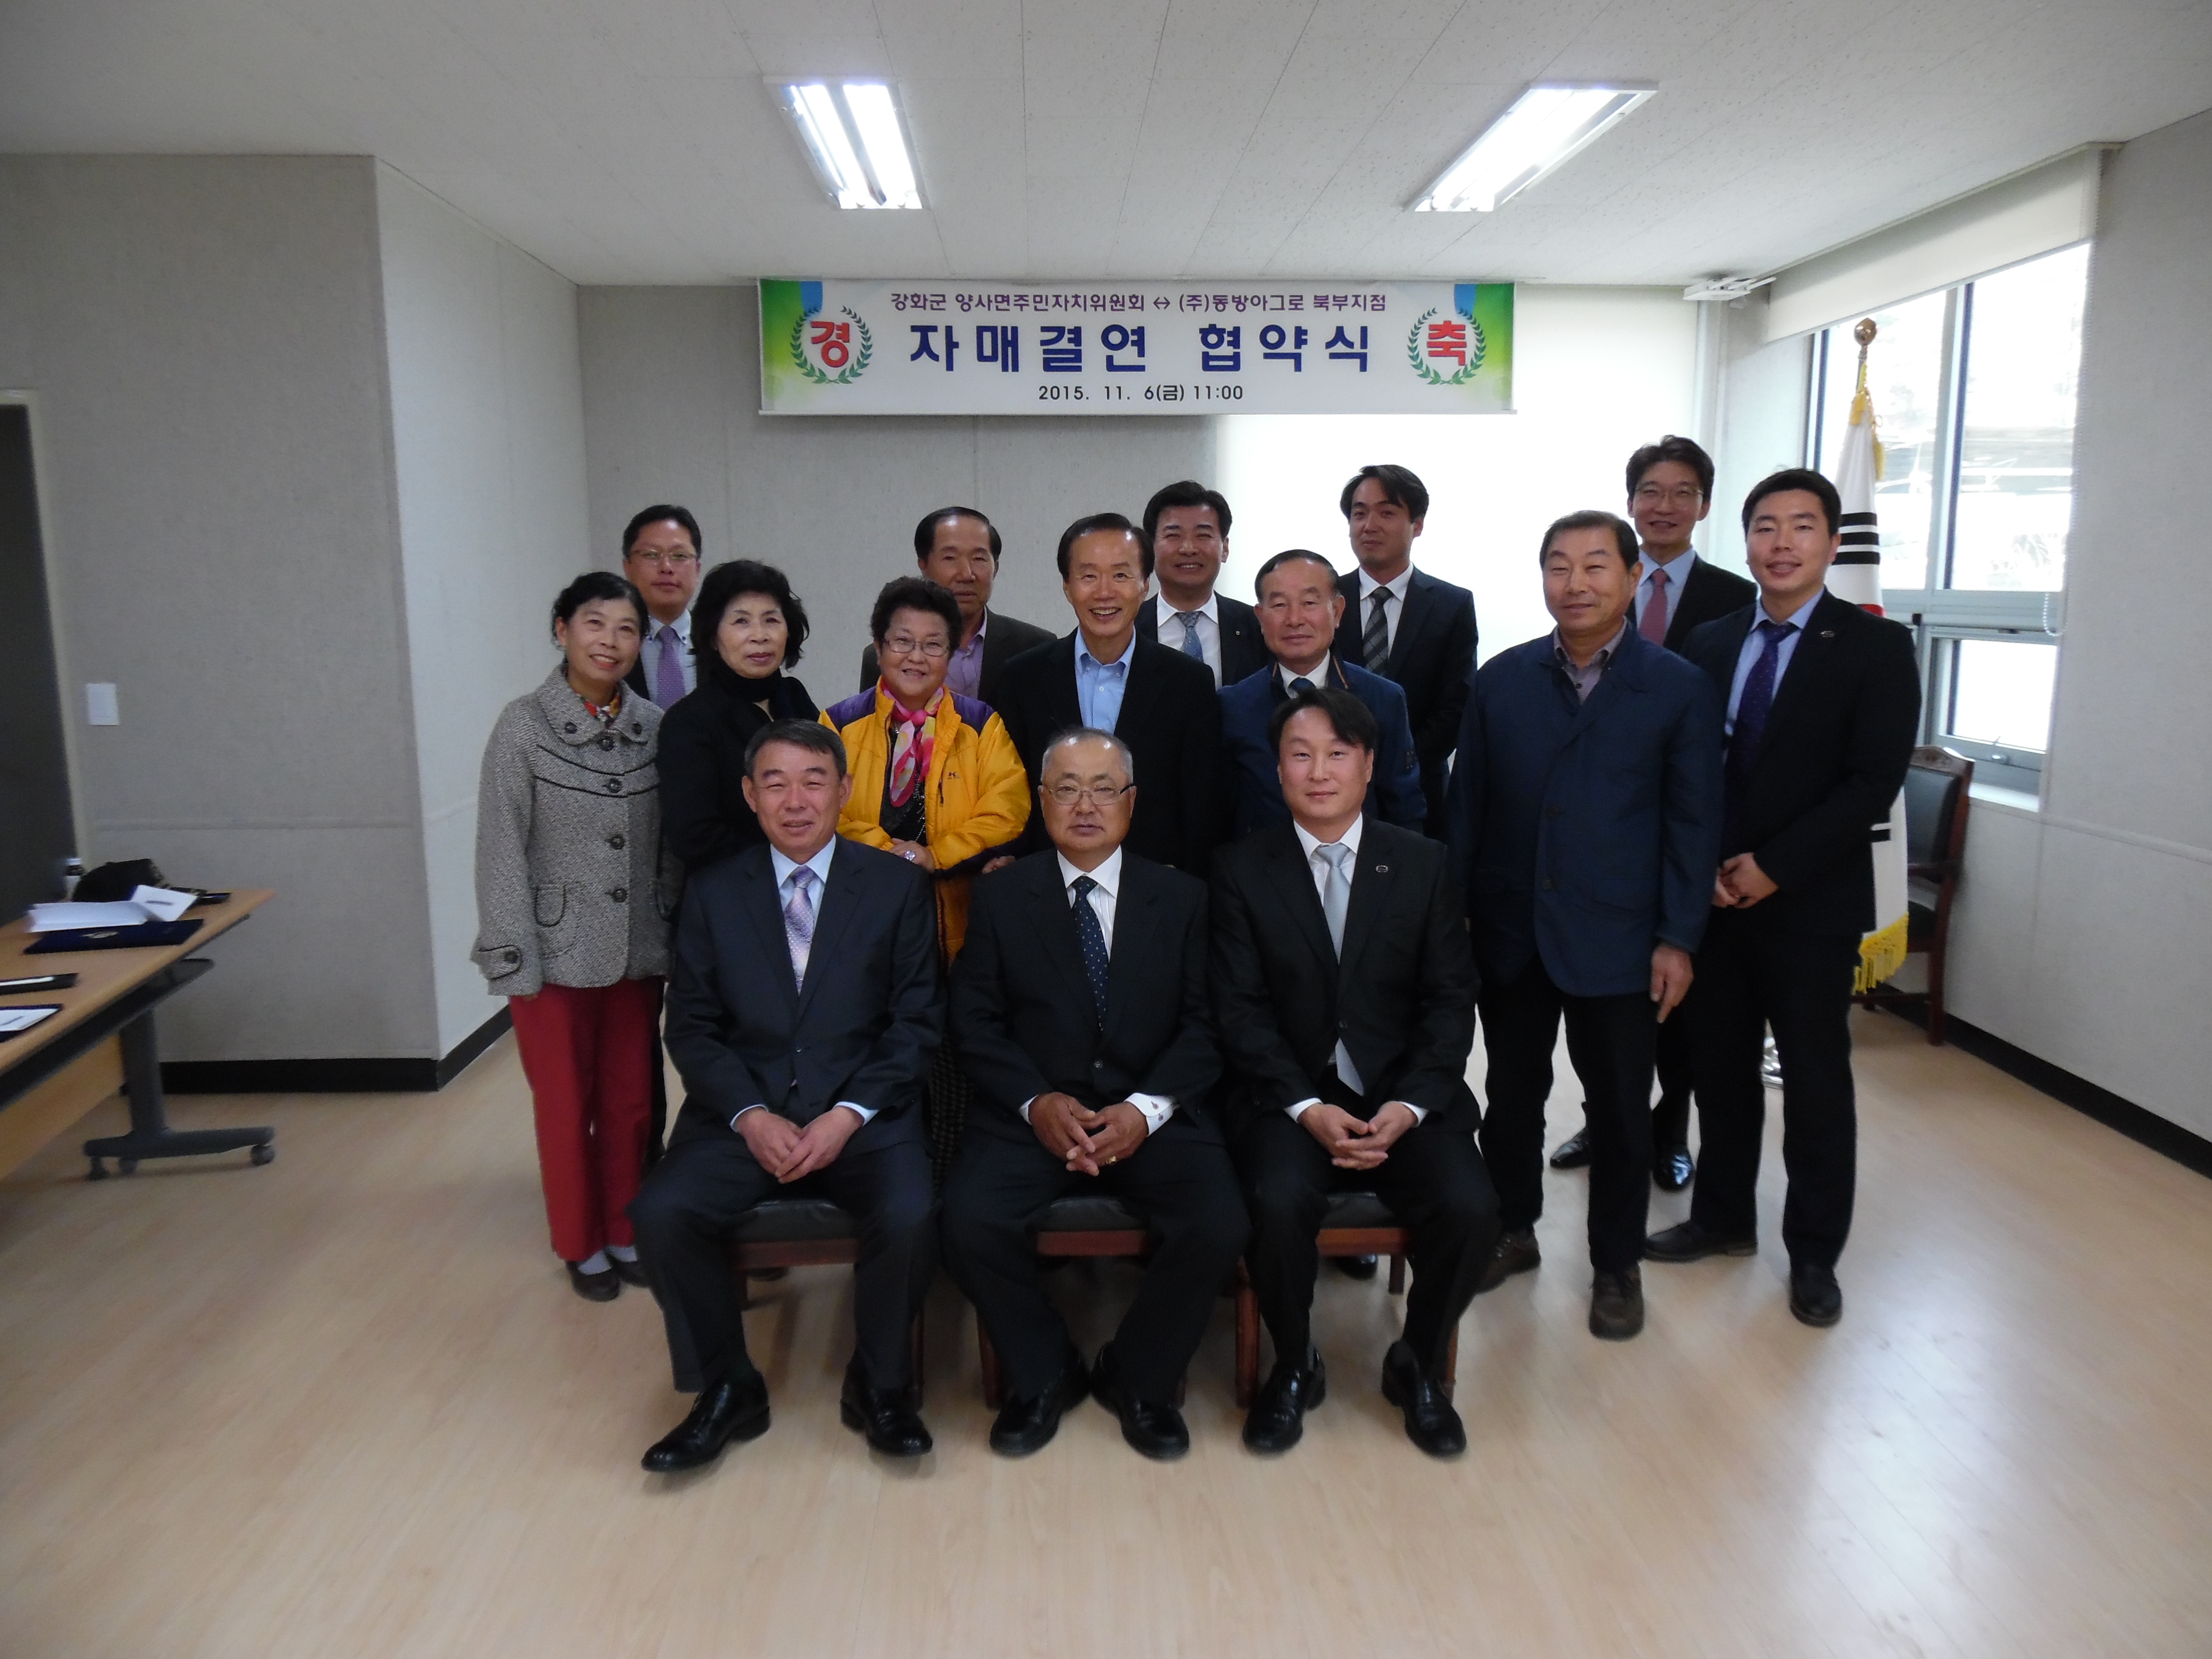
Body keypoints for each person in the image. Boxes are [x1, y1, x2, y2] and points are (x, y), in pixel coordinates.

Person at [1644, 469, 1920, 1329]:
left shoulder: (1875, 646)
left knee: (1813, 1084)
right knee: (1720, 1072)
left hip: (1808, 905)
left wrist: (1773, 865)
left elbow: (1870, 782)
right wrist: (1705, 867)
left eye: (1802, 526)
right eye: (1765, 527)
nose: (1782, 543)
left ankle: (1813, 1255)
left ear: (1833, 543)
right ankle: (1723, 1219)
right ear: (1746, 540)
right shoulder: (1712, 641)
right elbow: (1688, 766)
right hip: (1716, 904)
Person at [628, 721, 942, 1470]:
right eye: (775, 783)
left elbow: (918, 1023)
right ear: (749, 795)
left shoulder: (896, 887)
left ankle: (881, 1383)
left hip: (862, 1115)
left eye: (813, 781)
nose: (795, 801)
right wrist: (749, 1115)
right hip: (744, 1116)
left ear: (844, 790)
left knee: (910, 1211)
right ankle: (727, 1386)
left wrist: (847, 1115)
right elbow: (692, 1027)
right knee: (661, 1212)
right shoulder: (713, 891)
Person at [1448, 511, 1723, 1340]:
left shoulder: (1676, 686)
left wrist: (1678, 937)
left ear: (1633, 577)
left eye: (1596, 565)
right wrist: (1457, 919)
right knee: (1511, 1095)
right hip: (1512, 931)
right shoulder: (1501, 680)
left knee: (1619, 1109)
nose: (1575, 583)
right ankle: (1512, 1228)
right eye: (1558, 566)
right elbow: (1467, 810)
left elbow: (1692, 824)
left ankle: (1615, 1264)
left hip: (1621, 938)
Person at [942, 730, 1249, 1460]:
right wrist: (1036, 1103)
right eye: (1067, 788)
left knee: (1220, 1222)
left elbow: (1209, 1025)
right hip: (1034, 1115)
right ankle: (1045, 1372)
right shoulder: (1002, 897)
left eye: (1104, 788)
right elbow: (973, 1022)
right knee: (965, 1220)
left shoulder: (1183, 898)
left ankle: (1138, 1376)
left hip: (1149, 1113)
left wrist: (1145, 1111)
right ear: (1041, 801)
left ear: (1131, 803)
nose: (1085, 805)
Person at [1211, 688, 1500, 1457]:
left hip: (1403, 1095)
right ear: (1276, 768)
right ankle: (1295, 1360)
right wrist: (1306, 1107)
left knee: (1473, 1207)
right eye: (1300, 754)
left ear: (1370, 765)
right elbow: (1239, 1011)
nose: (1319, 772)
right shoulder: (1240, 869)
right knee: (1274, 1199)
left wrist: (1410, 1105)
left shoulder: (1422, 864)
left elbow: (1450, 1000)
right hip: (1290, 1098)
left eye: (1337, 754)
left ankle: (1418, 1361)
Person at [1551, 435, 1756, 1188]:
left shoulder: (1737, 601)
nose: (1664, 506)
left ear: (1704, 505)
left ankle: (1668, 1131)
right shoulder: (1596, 582)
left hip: (1687, 836)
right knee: (1603, 1017)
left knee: (1676, 1013)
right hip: (1604, 841)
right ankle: (1606, 1122)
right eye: (1650, 492)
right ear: (1631, 501)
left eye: (1682, 493)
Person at [472, 570, 682, 1301]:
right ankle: (578, 1241)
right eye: (595, 624)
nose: (611, 642)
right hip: (553, 953)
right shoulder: (522, 726)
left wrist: (671, 928)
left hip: (636, 950)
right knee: (566, 1108)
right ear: (562, 630)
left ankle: (624, 1230)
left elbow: (669, 846)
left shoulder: (653, 726)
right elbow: (501, 847)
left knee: (630, 1104)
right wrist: (512, 953)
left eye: (627, 630)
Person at [823, 576, 1031, 1176]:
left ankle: (948, 1180)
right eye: (902, 642)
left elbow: (1009, 808)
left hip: (955, 920)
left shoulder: (981, 724)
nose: (916, 657)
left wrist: (936, 855)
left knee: (954, 1056)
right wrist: (891, 852)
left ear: (953, 651)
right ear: (879, 647)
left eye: (933, 644)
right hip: (866, 919)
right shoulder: (839, 723)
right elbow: (824, 807)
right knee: (877, 1050)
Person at [994, 513, 1222, 872]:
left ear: (1145, 585)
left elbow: (1201, 802)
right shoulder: (1023, 677)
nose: (1104, 592)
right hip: (1048, 879)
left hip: (1154, 881)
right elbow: (1011, 789)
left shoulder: (1188, 682)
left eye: (1120, 575)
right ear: (1067, 586)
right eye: (1088, 576)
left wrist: (1188, 884)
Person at [1219, 549, 1425, 840]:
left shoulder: (1383, 699)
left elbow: (1404, 809)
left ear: (1337, 611)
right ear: (1261, 617)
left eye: (1309, 603)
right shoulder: (1233, 705)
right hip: (1264, 862)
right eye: (1279, 605)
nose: (1295, 619)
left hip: (1365, 861)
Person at [1330, 465, 1478, 838]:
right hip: (1328, 787)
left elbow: (1456, 707)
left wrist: (1396, 764)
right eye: (1360, 514)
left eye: (1387, 513)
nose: (1370, 525)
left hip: (1419, 792)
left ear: (1418, 524)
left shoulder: (1452, 605)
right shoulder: (1324, 601)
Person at [658, 559, 820, 872]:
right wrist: (789, 862)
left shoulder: (794, 697)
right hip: (734, 887)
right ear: (712, 636)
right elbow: (694, 837)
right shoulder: (689, 722)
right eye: (741, 622)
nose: (760, 636)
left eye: (771, 620)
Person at [855, 507, 1056, 704]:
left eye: (979, 559)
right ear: (923, 565)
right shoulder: (888, 656)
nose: (966, 574)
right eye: (950, 558)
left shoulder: (1035, 647)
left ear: (996, 567)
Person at [1134, 480, 1268, 687]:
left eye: (1203, 535)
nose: (1188, 548)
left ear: (1225, 549)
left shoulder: (1258, 627)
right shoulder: (1128, 626)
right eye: (1173, 535)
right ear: (1150, 548)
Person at [620, 505, 707, 709]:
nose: (666, 567)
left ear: (697, 569)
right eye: (651, 555)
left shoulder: (718, 641)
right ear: (627, 568)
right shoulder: (610, 642)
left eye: (679, 556)